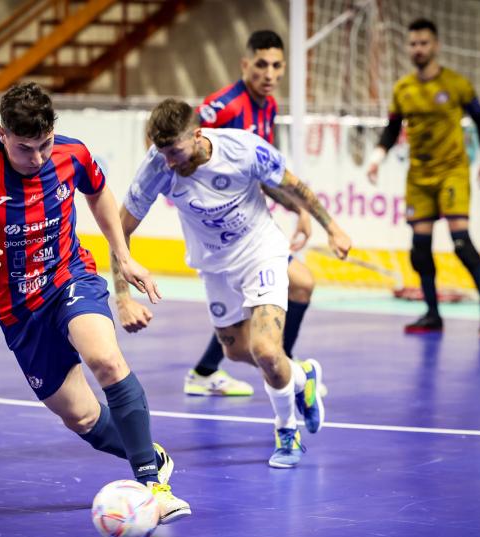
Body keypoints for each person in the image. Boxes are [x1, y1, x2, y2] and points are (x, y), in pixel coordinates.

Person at [0, 82, 190, 523]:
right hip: (18, 313)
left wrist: (124, 255)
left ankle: (153, 484)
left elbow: (98, 193)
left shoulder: (72, 154)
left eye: (44, 144)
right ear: (2, 134)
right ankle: (149, 452)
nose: (37, 158)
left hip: (68, 277)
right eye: (24, 148)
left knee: (106, 360)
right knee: (81, 418)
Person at [112, 99, 351, 468]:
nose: (170, 161)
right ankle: (303, 377)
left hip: (261, 253)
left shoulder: (243, 148)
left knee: (267, 351)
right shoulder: (157, 166)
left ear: (197, 134)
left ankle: (287, 433)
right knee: (237, 352)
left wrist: (332, 227)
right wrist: (123, 297)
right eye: (163, 152)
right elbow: (120, 228)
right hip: (215, 268)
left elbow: (294, 186)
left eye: (175, 151)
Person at [190, 30, 316, 396]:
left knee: (298, 285)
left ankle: (273, 368)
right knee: (289, 288)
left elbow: (267, 175)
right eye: (262, 64)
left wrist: (300, 208)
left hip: (250, 226)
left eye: (277, 65)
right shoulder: (224, 106)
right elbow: (166, 142)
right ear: (245, 64)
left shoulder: (269, 107)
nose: (270, 73)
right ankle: (286, 372)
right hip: (221, 231)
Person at [367, 18, 480, 335]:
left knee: (461, 242)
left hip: (452, 170)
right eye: (413, 44)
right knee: (419, 248)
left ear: (435, 45)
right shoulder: (403, 89)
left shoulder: (455, 84)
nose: (418, 49)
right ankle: (432, 313)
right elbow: (393, 127)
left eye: (424, 43)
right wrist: (376, 158)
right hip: (419, 175)